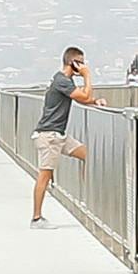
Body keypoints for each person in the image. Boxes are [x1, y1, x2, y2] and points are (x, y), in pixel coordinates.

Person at [26, 43, 100, 222]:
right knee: (45, 175)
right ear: (72, 62)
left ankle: (86, 198)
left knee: (88, 156)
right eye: (80, 63)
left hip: (59, 135)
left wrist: (95, 102)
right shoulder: (61, 80)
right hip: (49, 136)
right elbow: (84, 95)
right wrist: (87, 76)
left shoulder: (66, 81)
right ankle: (36, 218)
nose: (83, 66)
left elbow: (83, 99)